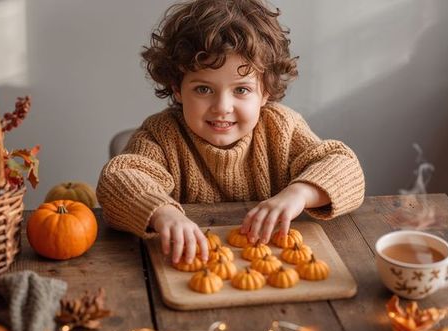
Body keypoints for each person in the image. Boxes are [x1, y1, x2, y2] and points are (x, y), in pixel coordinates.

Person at [97, 0, 365, 265]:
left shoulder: (282, 127)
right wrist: (163, 213)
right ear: (177, 88)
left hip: (269, 264)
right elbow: (117, 180)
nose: (222, 107)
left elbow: (346, 168)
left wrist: (299, 194)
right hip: (193, 266)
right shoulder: (161, 135)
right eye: (203, 89)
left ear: (266, 91)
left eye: (241, 90)